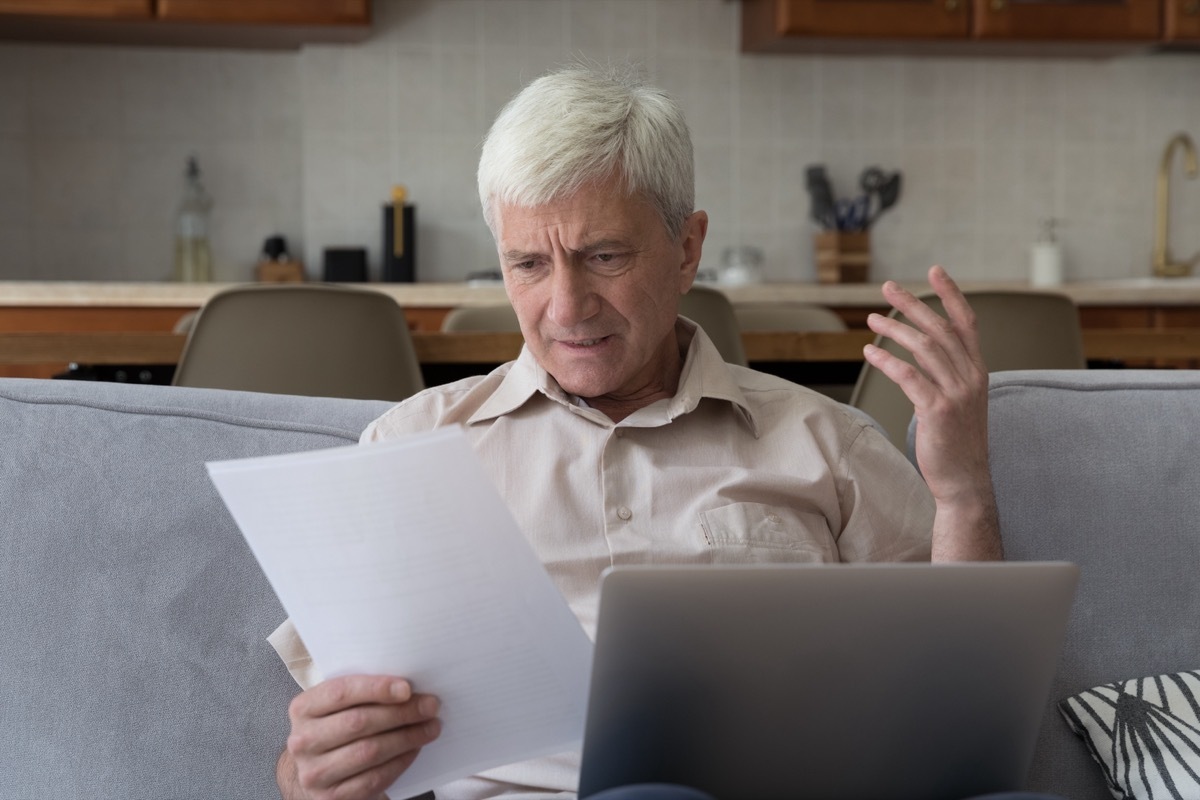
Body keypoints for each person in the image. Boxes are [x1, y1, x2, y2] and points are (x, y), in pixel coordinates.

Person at [272, 64, 1005, 800]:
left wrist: (964, 491)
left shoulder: (824, 441)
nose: (565, 307)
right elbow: (312, 762)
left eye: (604, 257)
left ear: (687, 249)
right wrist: (312, 778)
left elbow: (963, 722)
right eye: (528, 263)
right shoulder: (413, 449)